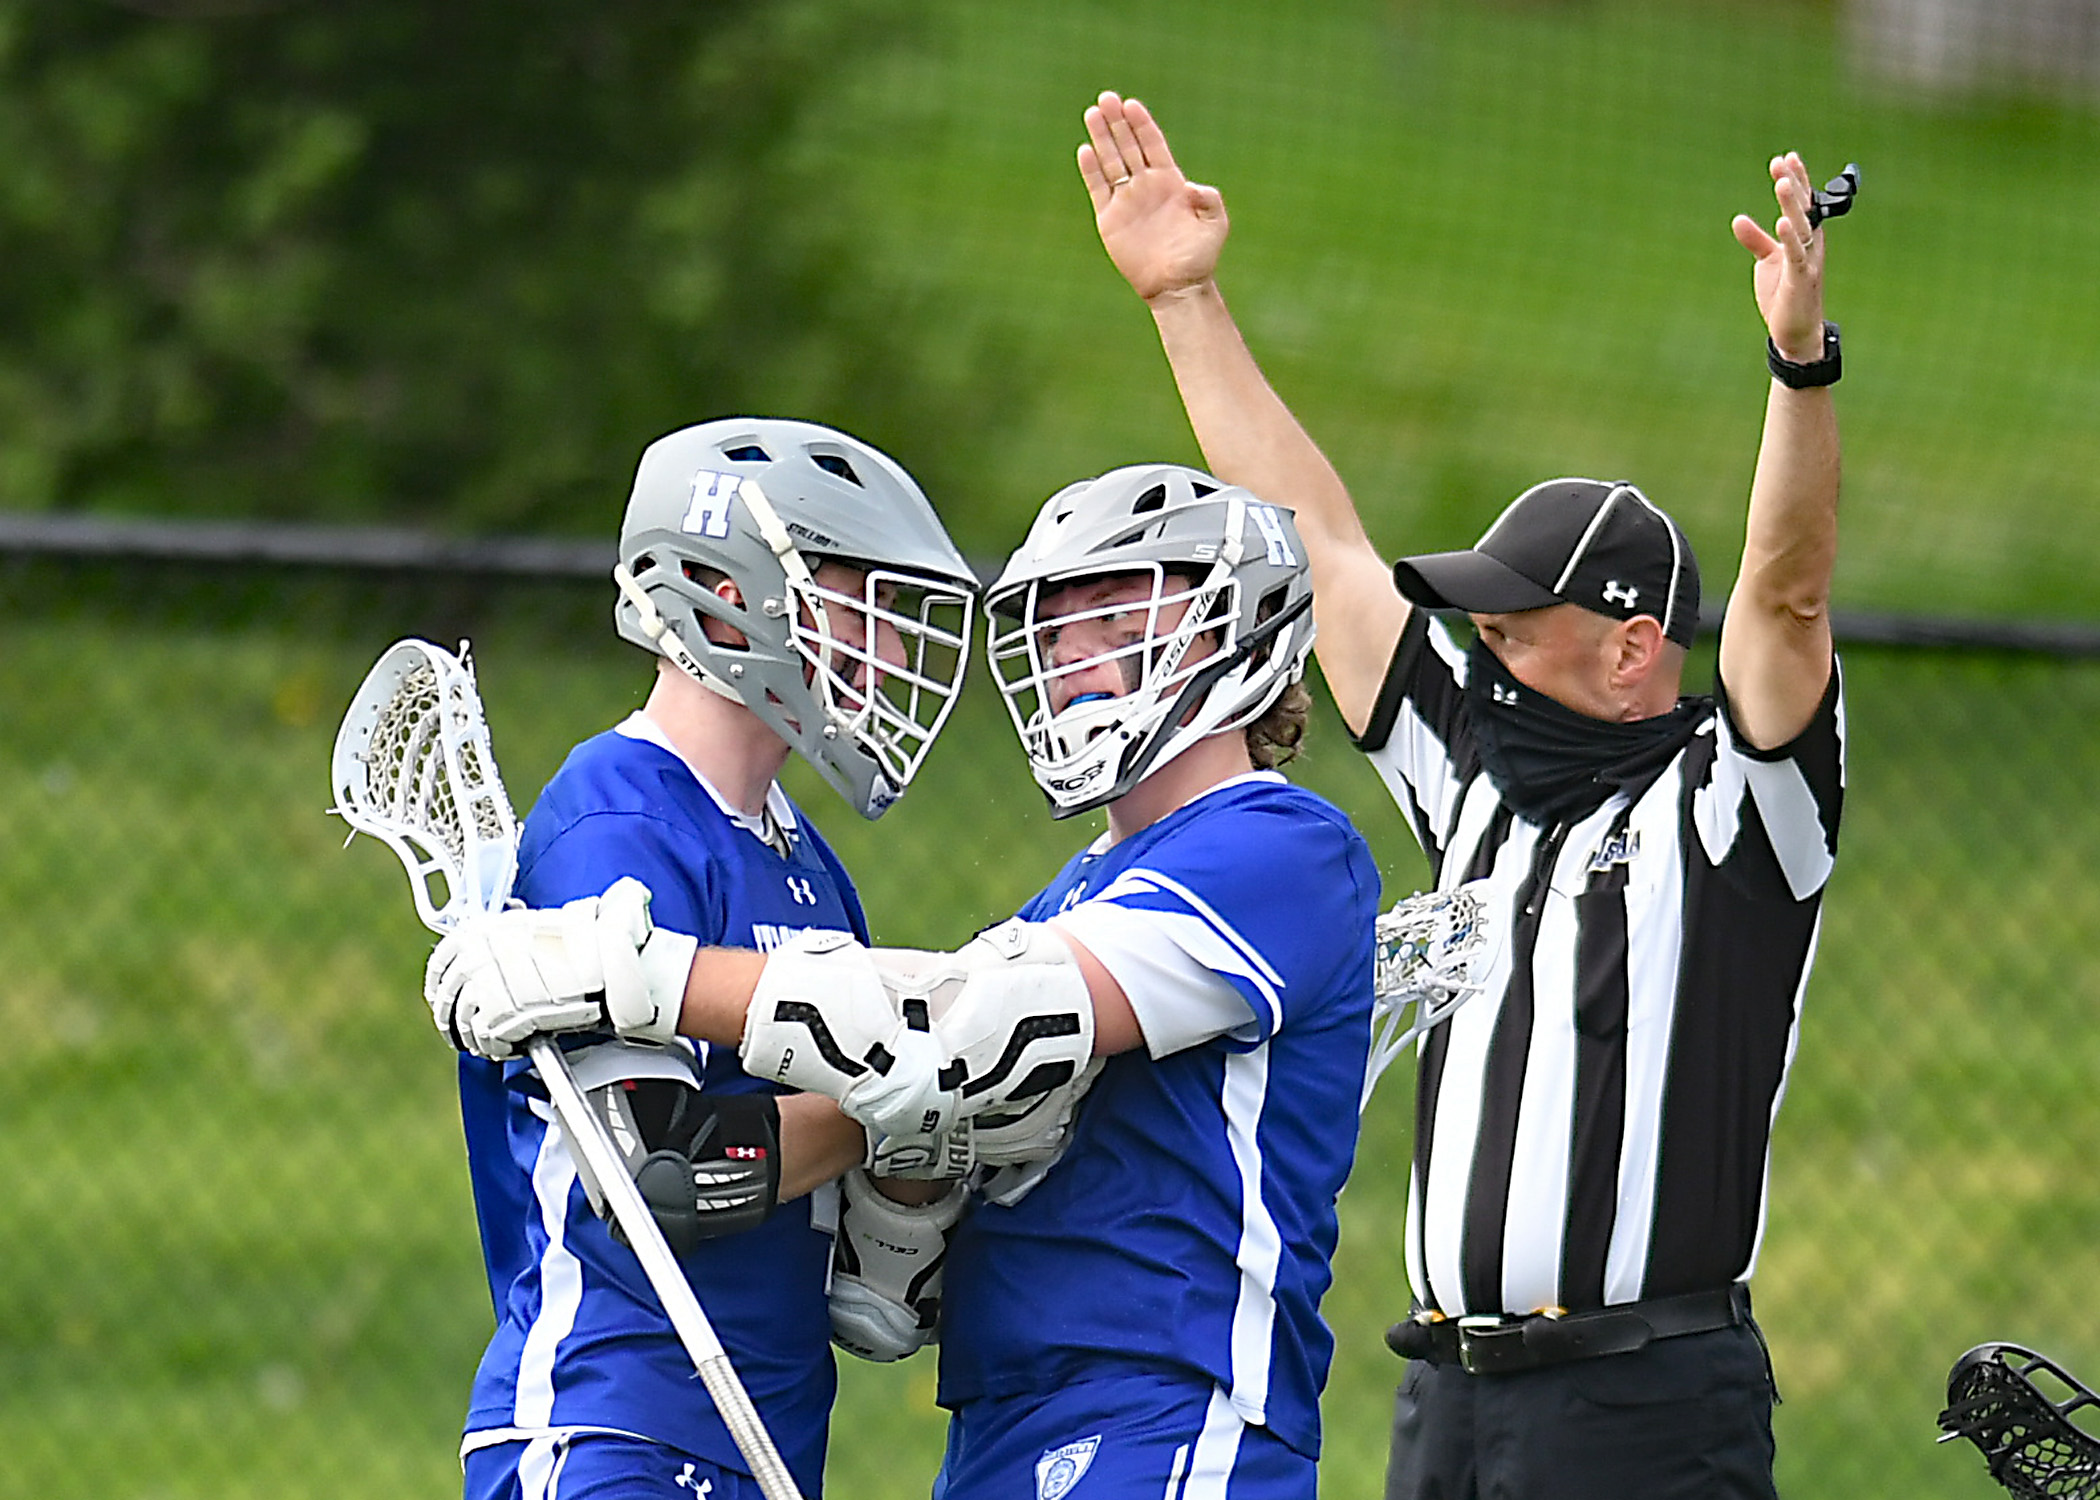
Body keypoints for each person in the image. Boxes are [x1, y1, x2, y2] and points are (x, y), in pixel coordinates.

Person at [1076, 91, 1846, 1500]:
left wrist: (1799, 368)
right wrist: (1186, 299)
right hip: (1447, 1397)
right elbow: (1318, 547)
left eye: (1511, 627)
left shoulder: (1736, 809)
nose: (1480, 652)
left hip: (1644, 1406)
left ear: (1630, 648)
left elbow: (1787, 599)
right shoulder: (1476, 772)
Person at [429, 462, 1385, 1499]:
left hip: (1163, 1411)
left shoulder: (1278, 845)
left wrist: (639, 974)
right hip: (925, 1426)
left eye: (1115, 614)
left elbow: (973, 1032)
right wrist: (909, 1144)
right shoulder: (1062, 898)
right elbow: (826, 1236)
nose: (1070, 657)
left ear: (1231, 631)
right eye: (1055, 629)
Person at [442, 415, 978, 1500]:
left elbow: (867, 1278)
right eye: (857, 598)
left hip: (761, 1443)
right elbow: (671, 1176)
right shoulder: (615, 823)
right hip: (613, 1433)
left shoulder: (806, 861)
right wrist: (927, 1083)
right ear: (728, 592)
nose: (892, 647)